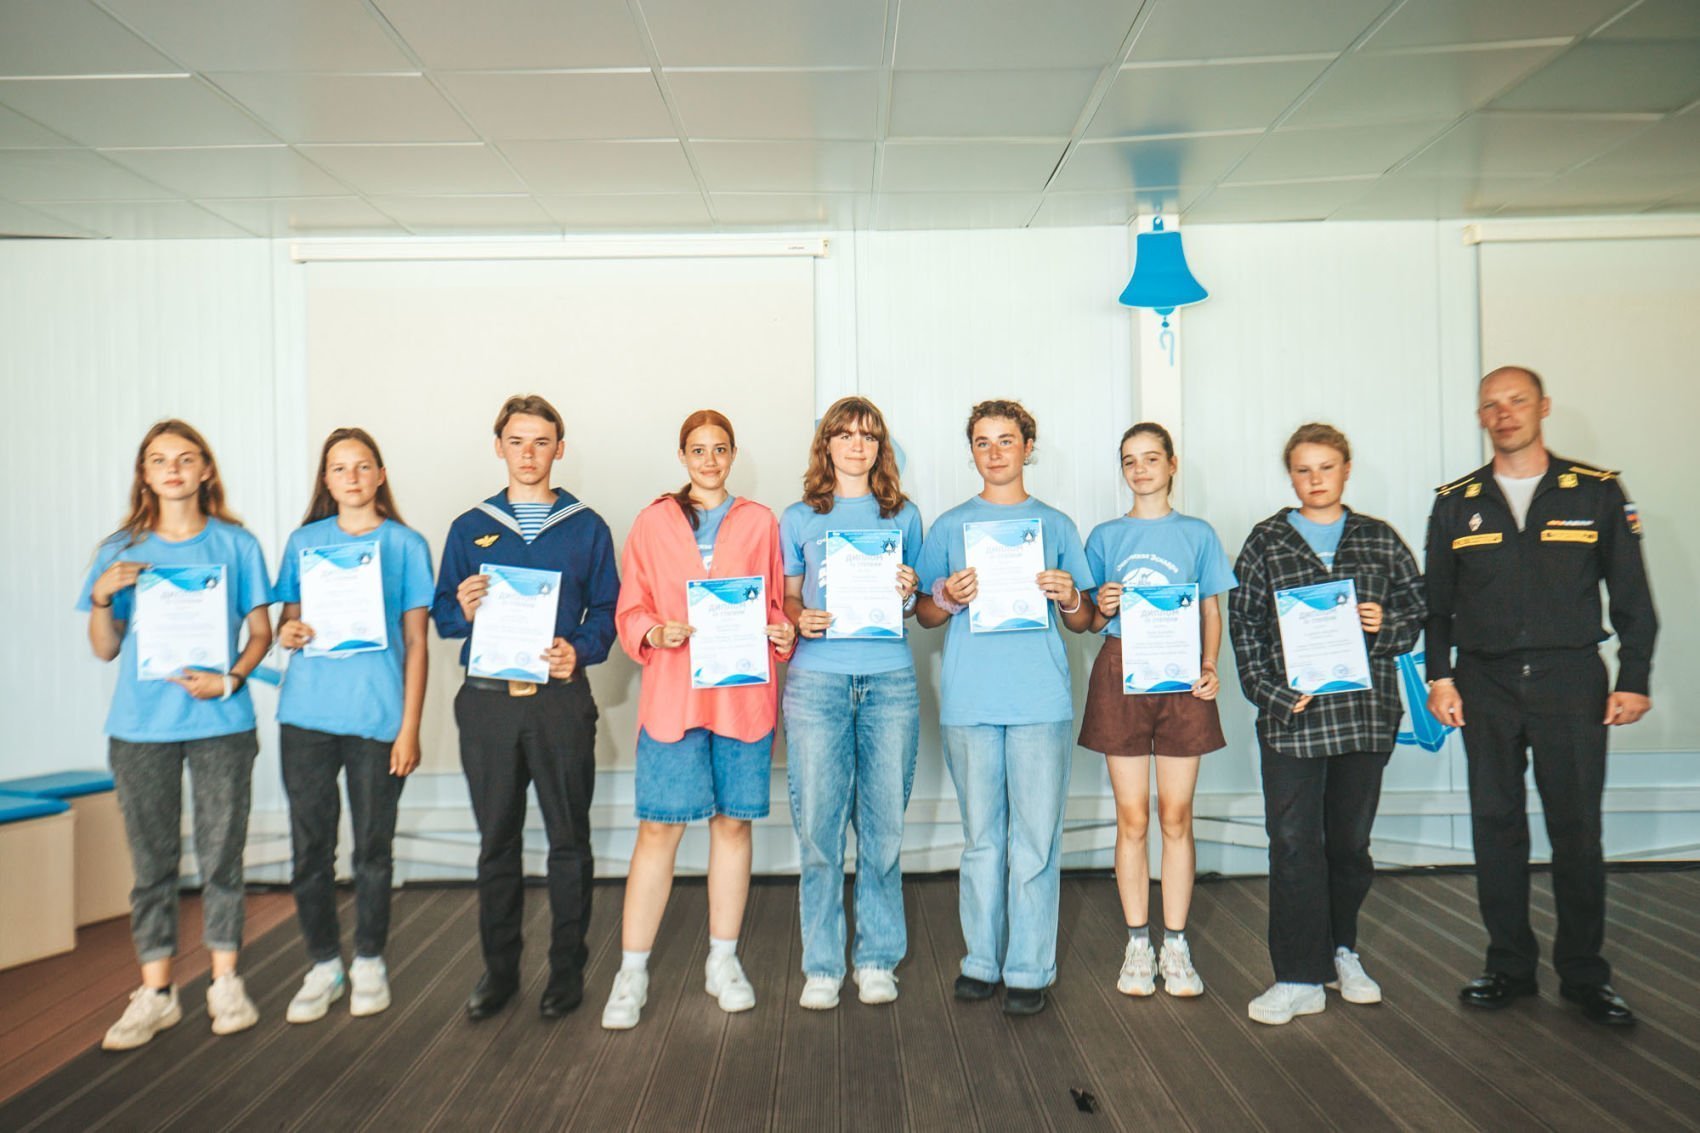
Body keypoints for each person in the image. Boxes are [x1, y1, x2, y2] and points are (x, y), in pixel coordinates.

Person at [1425, 366, 1656, 1027]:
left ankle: (1585, 974)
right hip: (1485, 683)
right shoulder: (1456, 502)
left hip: (1570, 679)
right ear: (1480, 417)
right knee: (1496, 826)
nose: (1505, 413)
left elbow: (1632, 597)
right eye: (1491, 405)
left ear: (1543, 407)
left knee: (1576, 830)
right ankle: (1508, 966)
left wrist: (1634, 677)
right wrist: (1440, 677)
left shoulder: (1597, 492)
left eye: (1517, 400)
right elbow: (1437, 605)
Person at [77, 420, 274, 1050]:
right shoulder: (119, 551)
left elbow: (261, 633)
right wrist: (102, 598)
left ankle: (225, 981)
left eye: (185, 458)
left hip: (221, 722)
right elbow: (105, 648)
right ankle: (156, 993)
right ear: (145, 473)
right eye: (159, 460)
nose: (172, 469)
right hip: (141, 728)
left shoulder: (236, 544)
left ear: (205, 469)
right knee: (151, 864)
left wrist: (230, 679)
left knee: (222, 857)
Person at [601, 410, 796, 1029]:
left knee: (732, 826)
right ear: (682, 456)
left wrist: (782, 632)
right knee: (659, 830)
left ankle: (723, 961)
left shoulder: (760, 521)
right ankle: (631, 972)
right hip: (674, 702)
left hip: (741, 702)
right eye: (698, 450)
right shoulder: (653, 522)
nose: (709, 460)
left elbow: (775, 606)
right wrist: (654, 630)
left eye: (720, 449)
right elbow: (629, 608)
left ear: (733, 454)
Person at [432, 394, 620, 1022]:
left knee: (569, 840)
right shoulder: (469, 526)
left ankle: (566, 972)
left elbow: (609, 611)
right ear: (499, 447)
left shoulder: (586, 526)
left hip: (559, 701)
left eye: (541, 441)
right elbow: (442, 615)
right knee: (496, 843)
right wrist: (462, 606)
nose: (529, 453)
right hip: (488, 704)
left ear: (559, 449)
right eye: (516, 441)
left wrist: (580, 650)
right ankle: (500, 972)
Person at [1229, 423, 1424, 1026]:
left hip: (1365, 719)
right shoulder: (1267, 541)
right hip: (1293, 720)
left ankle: (1342, 953)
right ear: (1291, 477)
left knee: (1348, 846)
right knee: (1293, 846)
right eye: (1303, 469)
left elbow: (1418, 611)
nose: (1315, 479)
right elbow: (1244, 627)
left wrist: (1384, 624)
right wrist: (1273, 695)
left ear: (1346, 470)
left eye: (1326, 467)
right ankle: (1296, 977)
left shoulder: (1379, 538)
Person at [915, 399, 1094, 1017]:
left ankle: (1028, 968)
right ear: (972, 452)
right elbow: (924, 615)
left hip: (1040, 699)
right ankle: (981, 961)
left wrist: (1070, 596)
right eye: (983, 442)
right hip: (970, 701)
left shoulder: (1057, 526)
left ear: (1028, 447)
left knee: (1036, 841)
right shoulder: (949, 527)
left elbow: (1083, 622)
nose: (995, 452)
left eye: (1007, 440)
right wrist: (946, 595)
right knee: (982, 840)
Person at [273, 428, 433, 1023]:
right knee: (310, 850)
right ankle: (323, 964)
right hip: (306, 716)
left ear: (380, 474)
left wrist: (409, 727)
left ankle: (369, 960)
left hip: (376, 718)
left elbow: (417, 643)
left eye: (363, 466)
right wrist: (289, 632)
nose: (353, 477)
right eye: (340, 468)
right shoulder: (303, 542)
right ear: (327, 479)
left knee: (372, 848)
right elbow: (290, 624)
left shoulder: (407, 545)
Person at [1078, 423, 1235, 1000]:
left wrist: (1210, 663)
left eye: (1150, 458)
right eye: (1130, 460)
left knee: (1175, 816)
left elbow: (1211, 610)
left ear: (1172, 464)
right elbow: (1088, 618)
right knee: (1133, 819)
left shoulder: (1197, 533)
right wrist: (1102, 605)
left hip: (1181, 675)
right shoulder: (1105, 535)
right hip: (1121, 670)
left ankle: (1176, 944)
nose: (1140, 469)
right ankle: (1137, 943)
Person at [780, 397, 924, 1010]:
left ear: (879, 447)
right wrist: (799, 615)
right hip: (817, 684)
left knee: (883, 830)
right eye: (844, 435)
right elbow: (788, 598)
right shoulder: (799, 518)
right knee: (818, 830)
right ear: (827, 445)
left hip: (889, 681)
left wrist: (910, 590)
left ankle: (876, 959)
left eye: (868, 436)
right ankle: (821, 965)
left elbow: (914, 605)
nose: (856, 445)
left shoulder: (904, 516)